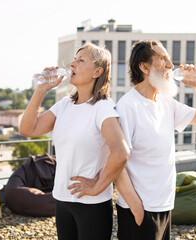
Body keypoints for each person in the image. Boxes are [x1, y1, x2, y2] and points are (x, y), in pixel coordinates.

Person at [19, 43, 143, 240]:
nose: (72, 64)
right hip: (62, 200)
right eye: (74, 60)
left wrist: (97, 187)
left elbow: (121, 152)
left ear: (97, 71)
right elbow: (28, 129)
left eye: (81, 60)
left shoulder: (102, 107)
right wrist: (41, 89)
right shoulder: (65, 105)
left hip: (92, 206)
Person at [115, 40, 196, 240]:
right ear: (144, 67)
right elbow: (117, 162)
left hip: (164, 205)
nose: (171, 65)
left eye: (169, 59)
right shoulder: (128, 106)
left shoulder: (166, 102)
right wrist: (137, 208)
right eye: (163, 59)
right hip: (140, 208)